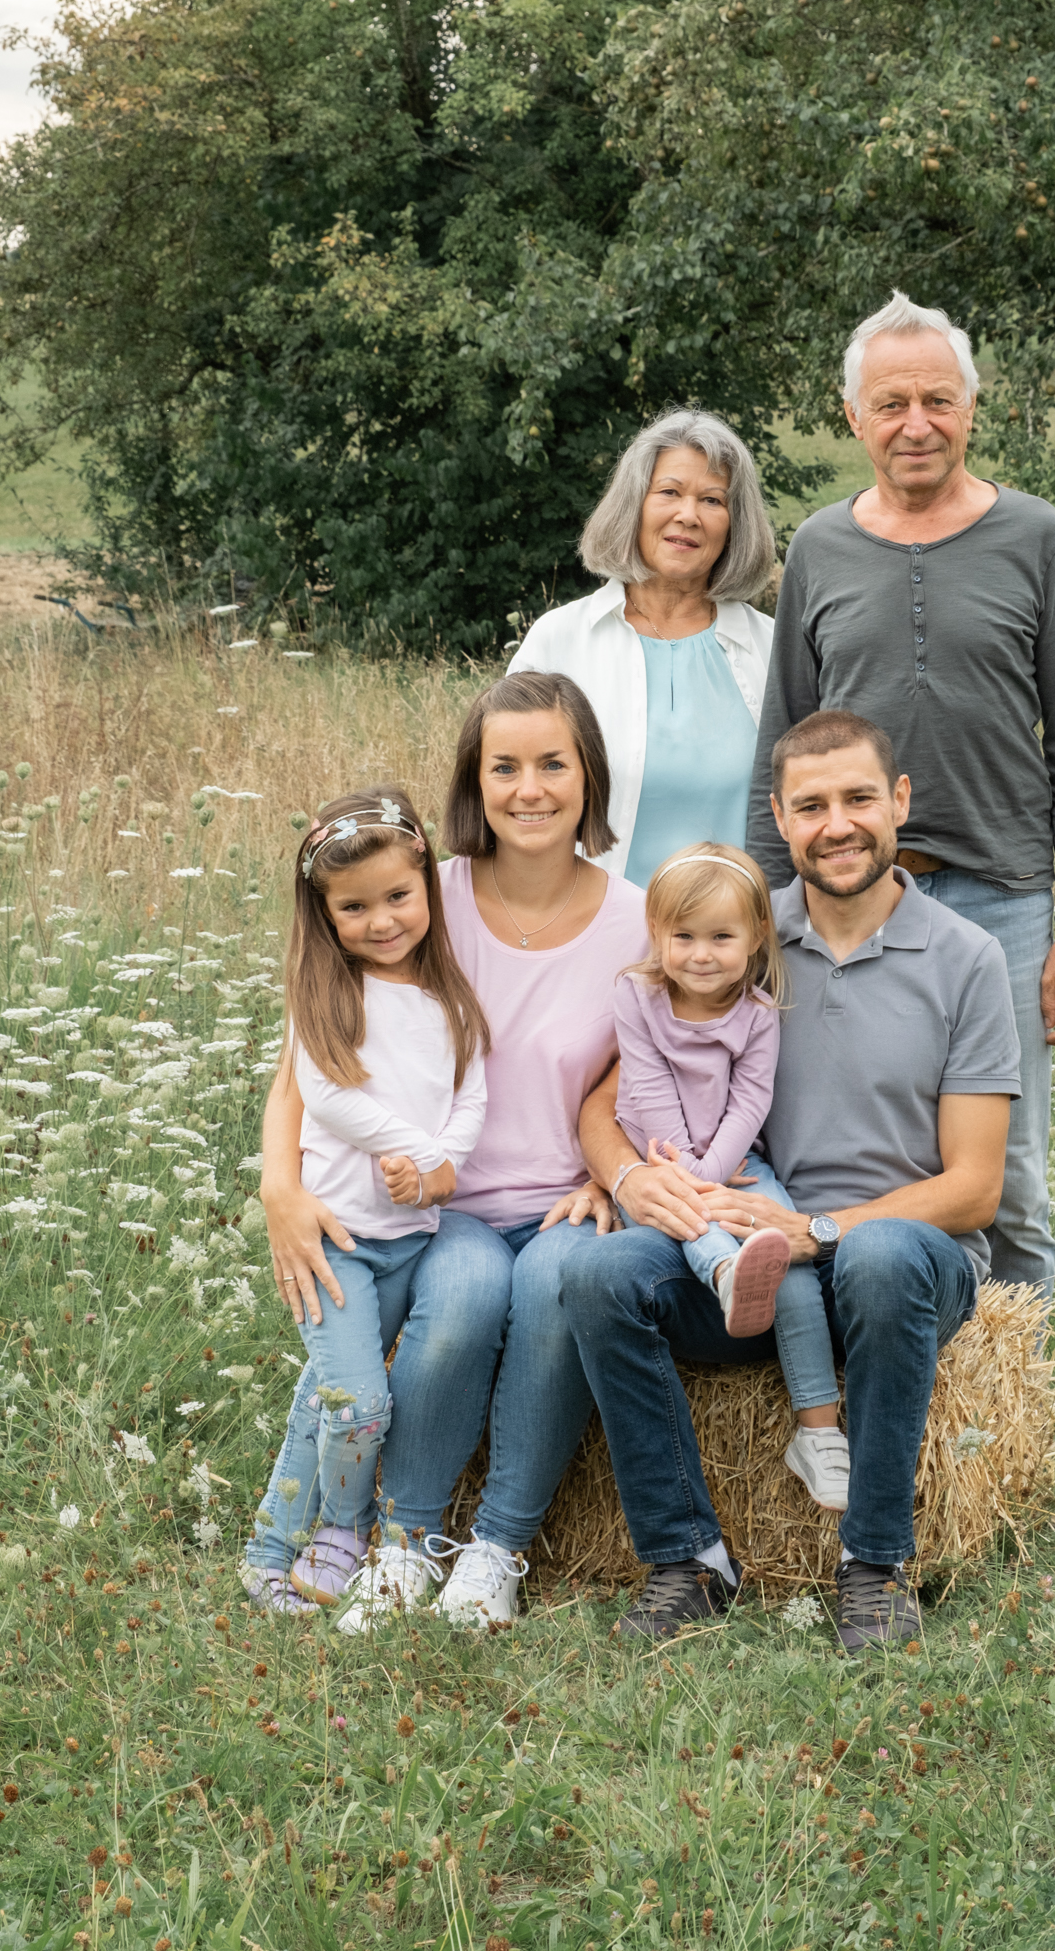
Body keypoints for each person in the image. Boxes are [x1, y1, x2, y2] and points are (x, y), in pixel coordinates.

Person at [562, 710, 1022, 1649]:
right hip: (750, 1268)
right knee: (599, 1276)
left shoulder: (965, 959)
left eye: (858, 798)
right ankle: (687, 1558)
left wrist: (817, 1227)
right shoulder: (729, 933)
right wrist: (622, 1178)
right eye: (810, 805)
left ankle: (875, 1566)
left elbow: (976, 1187)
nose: (837, 824)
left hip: (901, 1271)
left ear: (899, 802)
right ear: (778, 815)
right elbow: (602, 1105)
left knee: (884, 1256)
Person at [252, 670, 648, 1631]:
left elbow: (656, 1064)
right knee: (466, 1296)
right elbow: (311, 1054)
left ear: (588, 773)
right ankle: (406, 1541)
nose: (529, 788)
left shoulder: (640, 918)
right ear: (473, 781)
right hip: (445, 1207)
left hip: (563, 1197)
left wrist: (614, 1166)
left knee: (556, 1288)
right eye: (502, 766)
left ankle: (498, 1549)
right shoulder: (426, 896)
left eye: (553, 763)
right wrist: (279, 1184)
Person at [746, 291, 1055, 1298]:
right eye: (893, 402)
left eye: (939, 400)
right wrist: (761, 912)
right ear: (854, 416)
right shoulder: (820, 546)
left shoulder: (1039, 540)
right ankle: (866, 1396)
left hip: (1000, 903)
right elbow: (782, 741)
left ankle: (1009, 1439)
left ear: (972, 408)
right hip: (841, 906)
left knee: (1013, 1185)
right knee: (829, 1158)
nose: (917, 423)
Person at [245, 787, 490, 1612]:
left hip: (410, 1233)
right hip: (336, 1239)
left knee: (327, 1394)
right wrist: (412, 1150)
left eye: (396, 897)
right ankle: (343, 1530)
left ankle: (268, 1553)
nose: (381, 920)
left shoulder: (451, 998)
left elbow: (472, 1098)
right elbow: (327, 1095)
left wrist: (443, 1169)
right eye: (353, 907)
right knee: (358, 1404)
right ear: (325, 914)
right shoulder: (329, 994)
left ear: (426, 884)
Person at [613, 842, 849, 1511]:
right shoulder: (637, 995)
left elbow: (751, 1100)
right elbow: (651, 1091)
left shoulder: (757, 1013)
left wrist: (716, 1178)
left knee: (789, 1261)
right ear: (656, 933)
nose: (700, 953)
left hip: (737, 1166)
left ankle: (818, 1432)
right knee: (694, 1224)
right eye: (682, 936)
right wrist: (694, 1183)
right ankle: (723, 1275)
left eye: (721, 937)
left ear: (754, 938)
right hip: (658, 1169)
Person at [507, 411, 776, 885]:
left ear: (736, 524)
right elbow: (503, 786)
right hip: (592, 935)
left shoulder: (772, 647)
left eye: (712, 500)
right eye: (669, 492)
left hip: (732, 944)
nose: (688, 515)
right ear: (634, 504)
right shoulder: (560, 641)